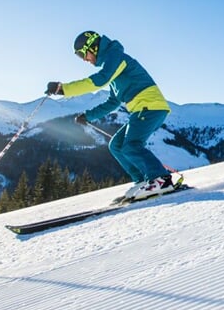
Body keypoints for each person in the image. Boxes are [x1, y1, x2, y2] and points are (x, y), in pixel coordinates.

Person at [46, 31, 174, 198]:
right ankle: (143, 180)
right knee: (116, 145)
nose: (84, 59)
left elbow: (99, 80)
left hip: (150, 107)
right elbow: (113, 102)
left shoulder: (115, 56)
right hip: (143, 110)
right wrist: (88, 116)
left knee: (131, 145)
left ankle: (160, 179)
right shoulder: (112, 68)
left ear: (92, 46)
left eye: (82, 54)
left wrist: (63, 89)